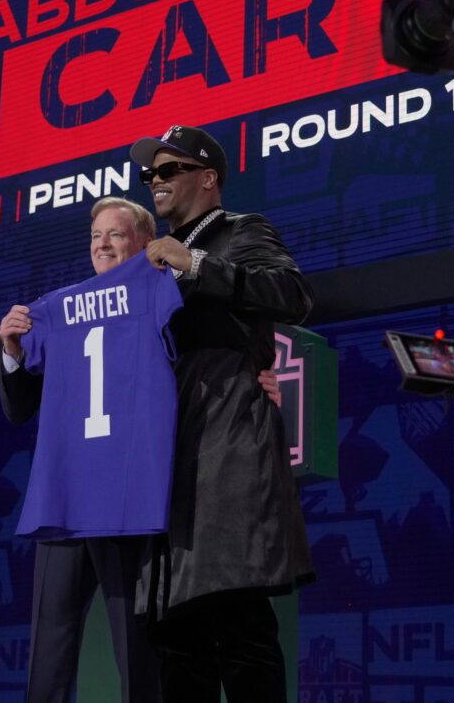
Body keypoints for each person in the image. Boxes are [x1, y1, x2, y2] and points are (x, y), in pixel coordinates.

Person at [0, 196, 282, 702]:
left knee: (140, 652)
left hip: (125, 504)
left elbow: (217, 336)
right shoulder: (57, 308)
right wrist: (12, 352)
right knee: (49, 653)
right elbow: (19, 409)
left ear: (145, 244)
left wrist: (254, 375)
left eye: (116, 235)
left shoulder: (159, 290)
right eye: (95, 236)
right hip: (63, 499)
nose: (102, 244)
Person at [128, 124, 315, 703]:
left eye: (168, 171)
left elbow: (293, 294)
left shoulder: (239, 232)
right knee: (173, 626)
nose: (154, 182)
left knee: (235, 614)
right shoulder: (146, 263)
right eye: (149, 175)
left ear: (208, 179)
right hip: (166, 446)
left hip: (227, 441)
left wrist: (195, 265)